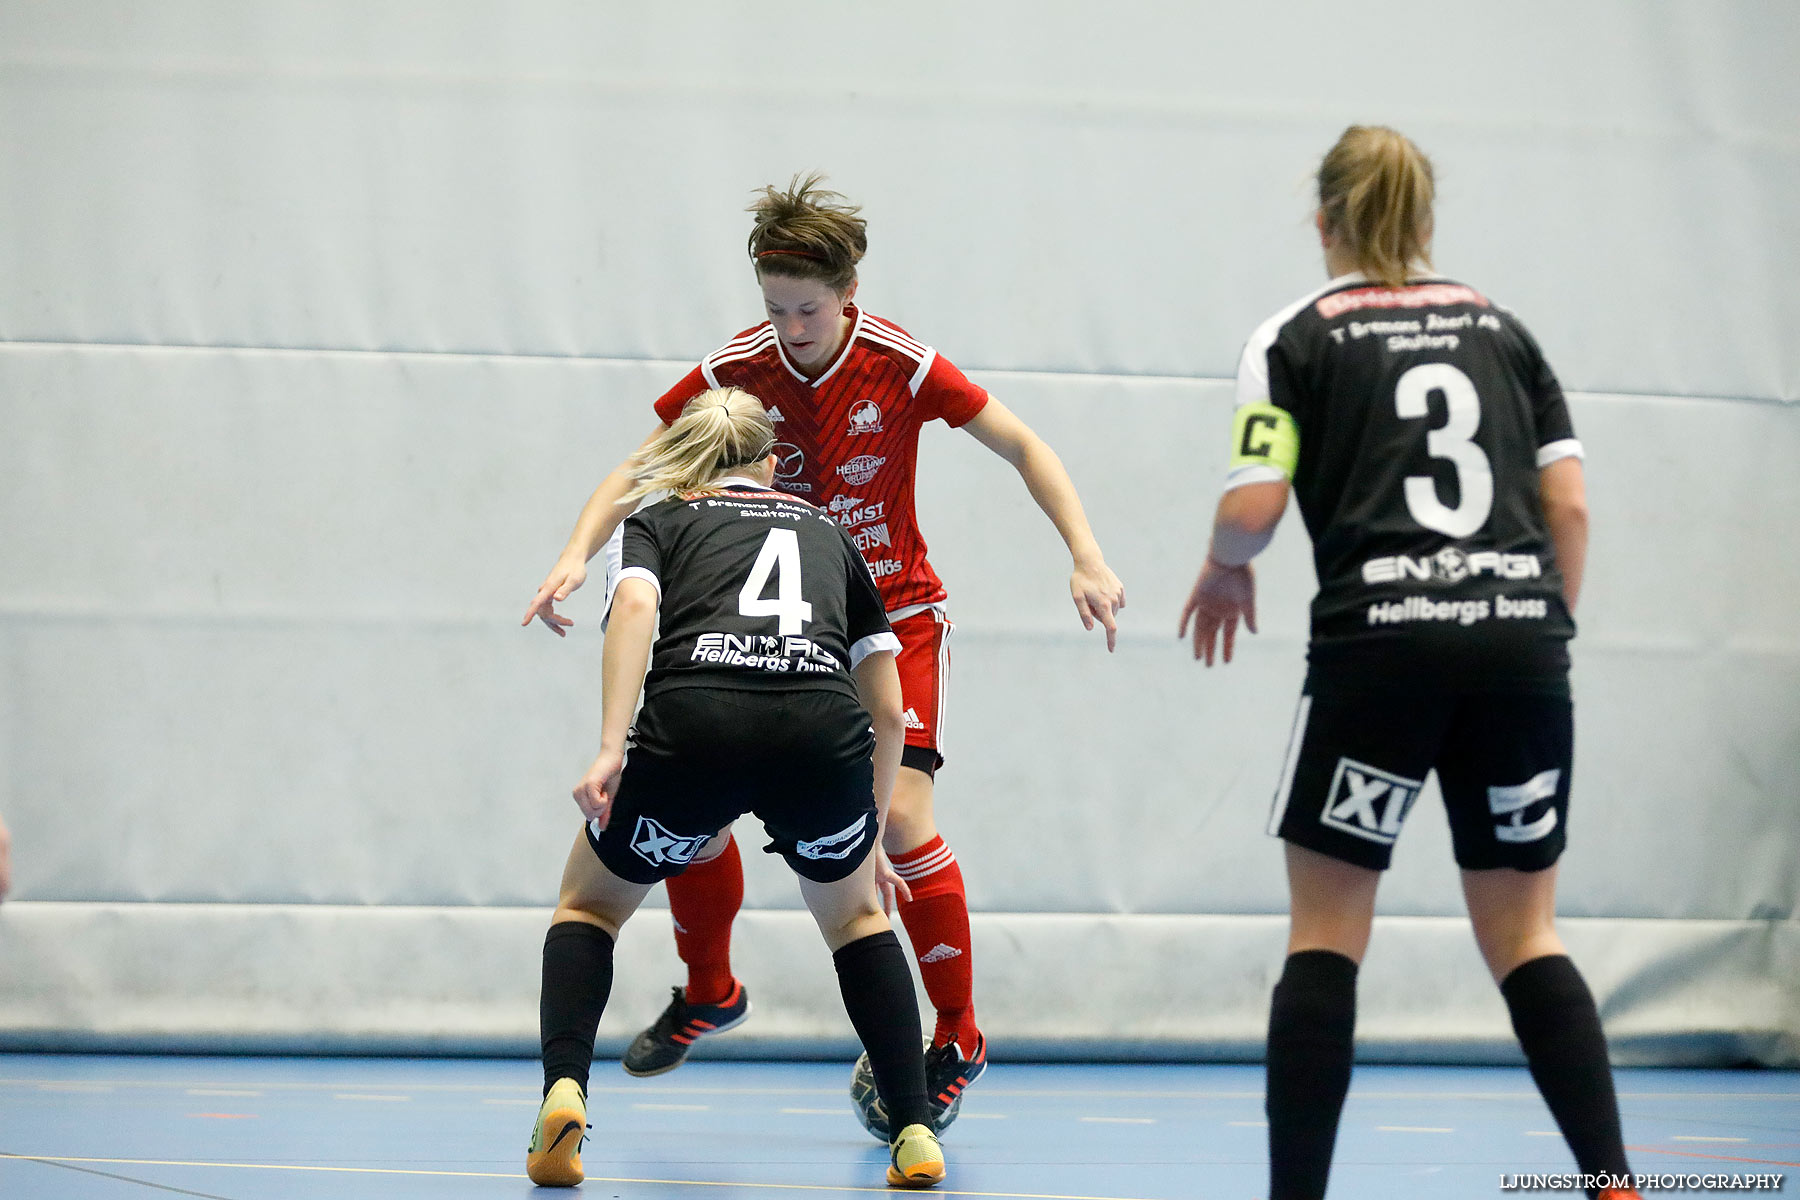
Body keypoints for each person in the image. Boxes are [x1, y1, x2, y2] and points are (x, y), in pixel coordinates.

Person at [523, 174, 1125, 1132]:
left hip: (887, 617)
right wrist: (570, 555)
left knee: (900, 822)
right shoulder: (740, 370)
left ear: (850, 296)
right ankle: (712, 988)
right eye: (774, 308)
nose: (791, 327)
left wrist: (1084, 555)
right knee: (698, 798)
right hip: (772, 628)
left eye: (808, 309)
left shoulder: (902, 362)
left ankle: (959, 1034)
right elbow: (639, 467)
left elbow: (1021, 444)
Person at [1179, 126, 1641, 1200]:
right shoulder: (1506, 330)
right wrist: (1536, 628)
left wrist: (1222, 568)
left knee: (1328, 932)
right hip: (1522, 652)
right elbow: (1567, 502)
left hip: (1378, 652)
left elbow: (1254, 503)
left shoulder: (1294, 338)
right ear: (1425, 221)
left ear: (1324, 221)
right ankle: (1613, 1182)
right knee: (1527, 931)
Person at [527, 388, 946, 1189]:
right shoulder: (828, 530)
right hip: (821, 736)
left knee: (589, 905)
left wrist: (613, 746)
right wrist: (865, 822)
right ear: (773, 459)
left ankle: (564, 1091)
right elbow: (889, 705)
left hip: (696, 725)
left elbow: (637, 609)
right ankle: (916, 1129)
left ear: (687, 461)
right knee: (858, 921)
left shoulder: (658, 519)